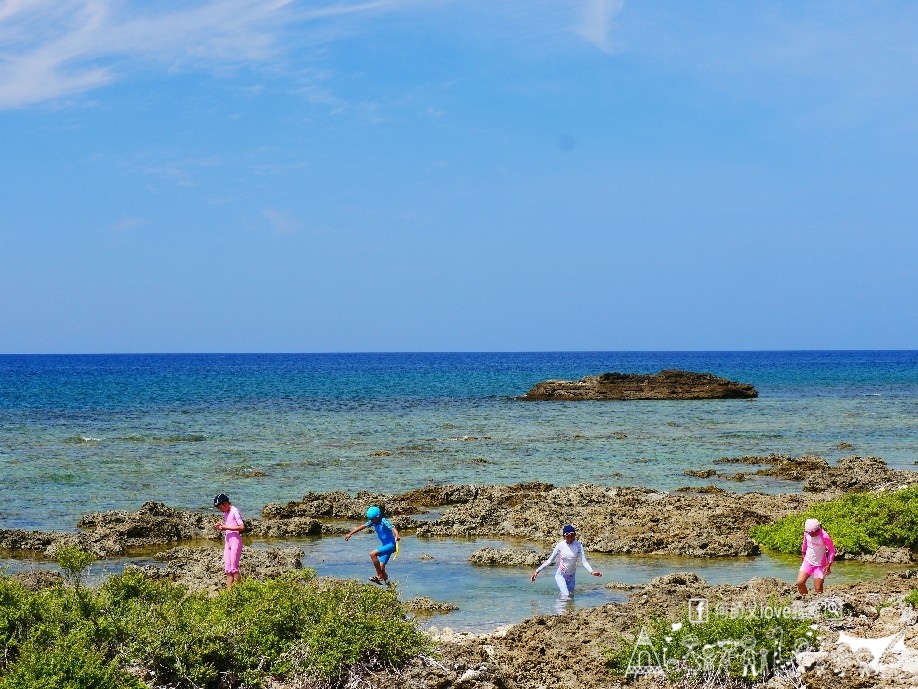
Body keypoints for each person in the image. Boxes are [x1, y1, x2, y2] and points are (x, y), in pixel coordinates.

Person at [531, 524, 602, 597]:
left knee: (571, 597)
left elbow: (584, 561)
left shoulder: (578, 546)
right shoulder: (560, 546)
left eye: (572, 535)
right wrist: (537, 571)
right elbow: (550, 560)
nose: (570, 538)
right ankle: (560, 608)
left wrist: (592, 571)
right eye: (567, 536)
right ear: (564, 536)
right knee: (566, 595)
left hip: (572, 576)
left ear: (574, 535)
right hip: (560, 575)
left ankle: (565, 608)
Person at [345, 505, 400, 586]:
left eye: (372, 519)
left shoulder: (383, 521)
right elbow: (362, 526)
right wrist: (350, 534)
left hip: (391, 545)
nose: (370, 520)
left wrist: (397, 535)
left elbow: (392, 528)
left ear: (378, 517)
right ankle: (390, 588)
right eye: (369, 519)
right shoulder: (374, 522)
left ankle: (379, 576)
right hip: (385, 545)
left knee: (372, 554)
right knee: (381, 568)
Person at [213, 493, 245, 590]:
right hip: (228, 542)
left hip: (236, 541)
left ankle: (238, 591)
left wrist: (225, 527)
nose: (220, 509)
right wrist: (221, 526)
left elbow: (242, 527)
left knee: (234, 568)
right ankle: (229, 593)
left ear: (226, 503)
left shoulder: (235, 511)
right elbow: (230, 526)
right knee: (228, 569)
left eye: (220, 507)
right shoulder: (226, 513)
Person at [798, 518, 835, 595]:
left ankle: (818, 604)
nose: (809, 534)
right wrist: (803, 554)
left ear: (816, 530)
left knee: (818, 589)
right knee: (800, 583)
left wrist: (829, 564)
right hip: (808, 562)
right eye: (807, 532)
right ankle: (805, 600)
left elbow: (831, 550)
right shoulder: (807, 533)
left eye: (811, 533)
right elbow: (805, 543)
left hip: (820, 566)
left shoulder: (824, 536)